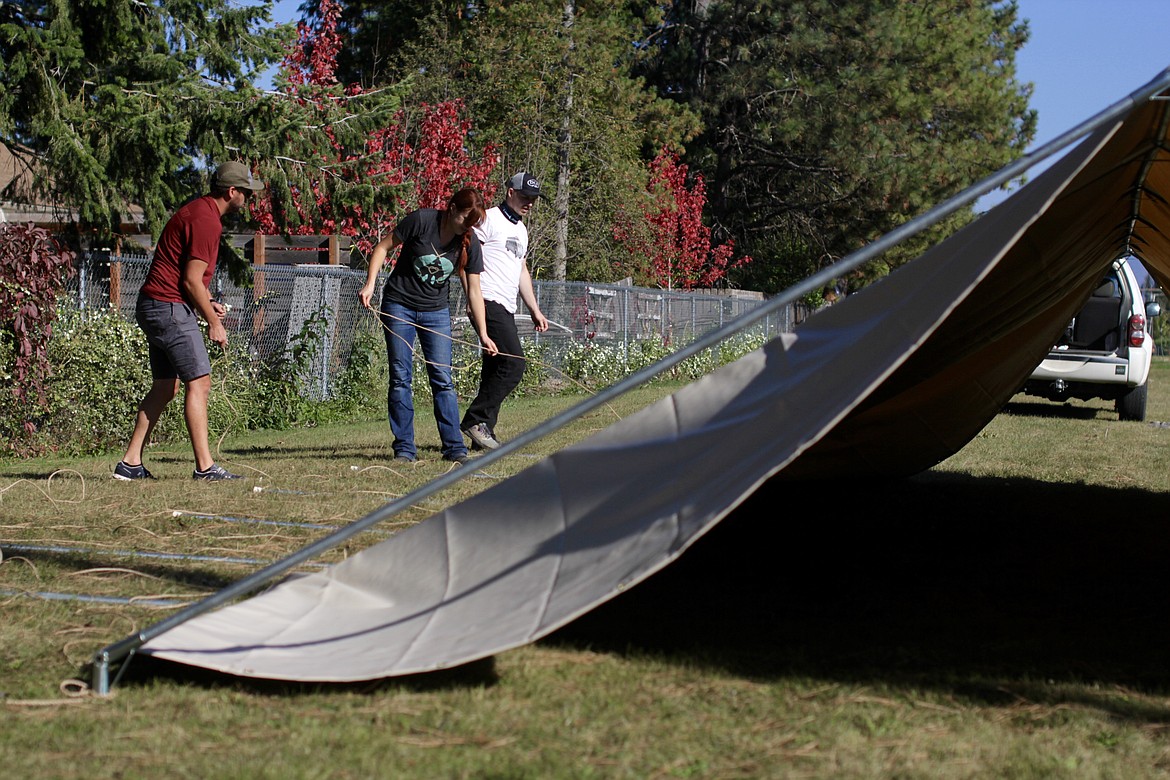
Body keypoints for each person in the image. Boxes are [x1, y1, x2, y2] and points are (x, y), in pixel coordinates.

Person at [114, 161, 264, 481]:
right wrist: (214, 322)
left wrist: (208, 303)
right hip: (168, 308)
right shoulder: (207, 221)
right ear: (232, 191)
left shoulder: (196, 210)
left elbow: (187, 277)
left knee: (165, 387)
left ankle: (129, 463)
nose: (249, 199)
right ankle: (206, 468)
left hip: (153, 305)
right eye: (246, 193)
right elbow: (191, 281)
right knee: (200, 382)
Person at [359, 188, 498, 464]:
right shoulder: (421, 221)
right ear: (452, 209)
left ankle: (454, 448)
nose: (466, 228)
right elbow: (383, 247)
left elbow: (474, 292)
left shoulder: (469, 244)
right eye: (464, 220)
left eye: (472, 224)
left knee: (443, 380)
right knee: (400, 377)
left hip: (436, 313)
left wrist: (483, 333)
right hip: (399, 306)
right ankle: (404, 449)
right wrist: (371, 283)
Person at [460, 172, 550, 451]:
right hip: (487, 301)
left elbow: (521, 270)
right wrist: (470, 298)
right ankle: (475, 420)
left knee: (495, 367)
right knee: (513, 364)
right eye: (525, 197)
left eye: (533, 199)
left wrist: (534, 309)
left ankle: (482, 433)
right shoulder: (487, 220)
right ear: (510, 192)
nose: (529, 204)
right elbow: (464, 259)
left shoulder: (521, 230)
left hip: (506, 306)